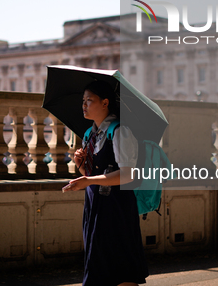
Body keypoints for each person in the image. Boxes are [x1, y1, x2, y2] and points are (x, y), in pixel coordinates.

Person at [62, 80, 149, 286]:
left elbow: (128, 175)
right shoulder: (89, 134)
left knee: (121, 266)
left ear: (105, 102)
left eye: (89, 100)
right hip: (95, 206)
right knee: (99, 263)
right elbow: (96, 174)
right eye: (83, 100)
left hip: (117, 207)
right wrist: (81, 166)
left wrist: (87, 179)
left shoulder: (120, 131)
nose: (83, 105)